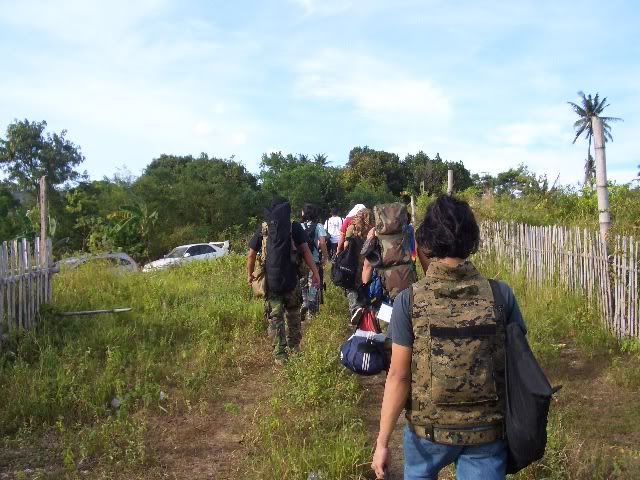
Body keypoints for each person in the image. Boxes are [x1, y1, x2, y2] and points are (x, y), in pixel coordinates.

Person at [371, 195, 528, 480]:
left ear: (427, 243)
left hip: (427, 433)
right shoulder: (500, 294)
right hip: (486, 433)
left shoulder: (410, 301)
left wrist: (382, 443)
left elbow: (398, 376)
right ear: (471, 239)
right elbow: (519, 362)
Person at [246, 197, 320, 365]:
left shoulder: (264, 229)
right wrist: (315, 273)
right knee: (293, 314)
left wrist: (249, 275)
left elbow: (251, 254)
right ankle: (295, 349)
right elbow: (306, 251)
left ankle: (280, 354)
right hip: (292, 279)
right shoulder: (294, 227)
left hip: (271, 282)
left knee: (275, 318)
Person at [343, 207, 374, 324]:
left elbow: (345, 245)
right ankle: (368, 309)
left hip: (353, 262)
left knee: (351, 287)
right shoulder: (373, 230)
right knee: (365, 286)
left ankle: (355, 308)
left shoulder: (352, 228)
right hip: (367, 262)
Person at [300, 203, 330, 319]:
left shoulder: (298, 226)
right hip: (314, 260)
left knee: (302, 283)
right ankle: (311, 313)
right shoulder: (318, 226)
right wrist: (325, 257)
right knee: (314, 284)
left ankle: (304, 302)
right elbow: (322, 242)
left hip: (301, 261)